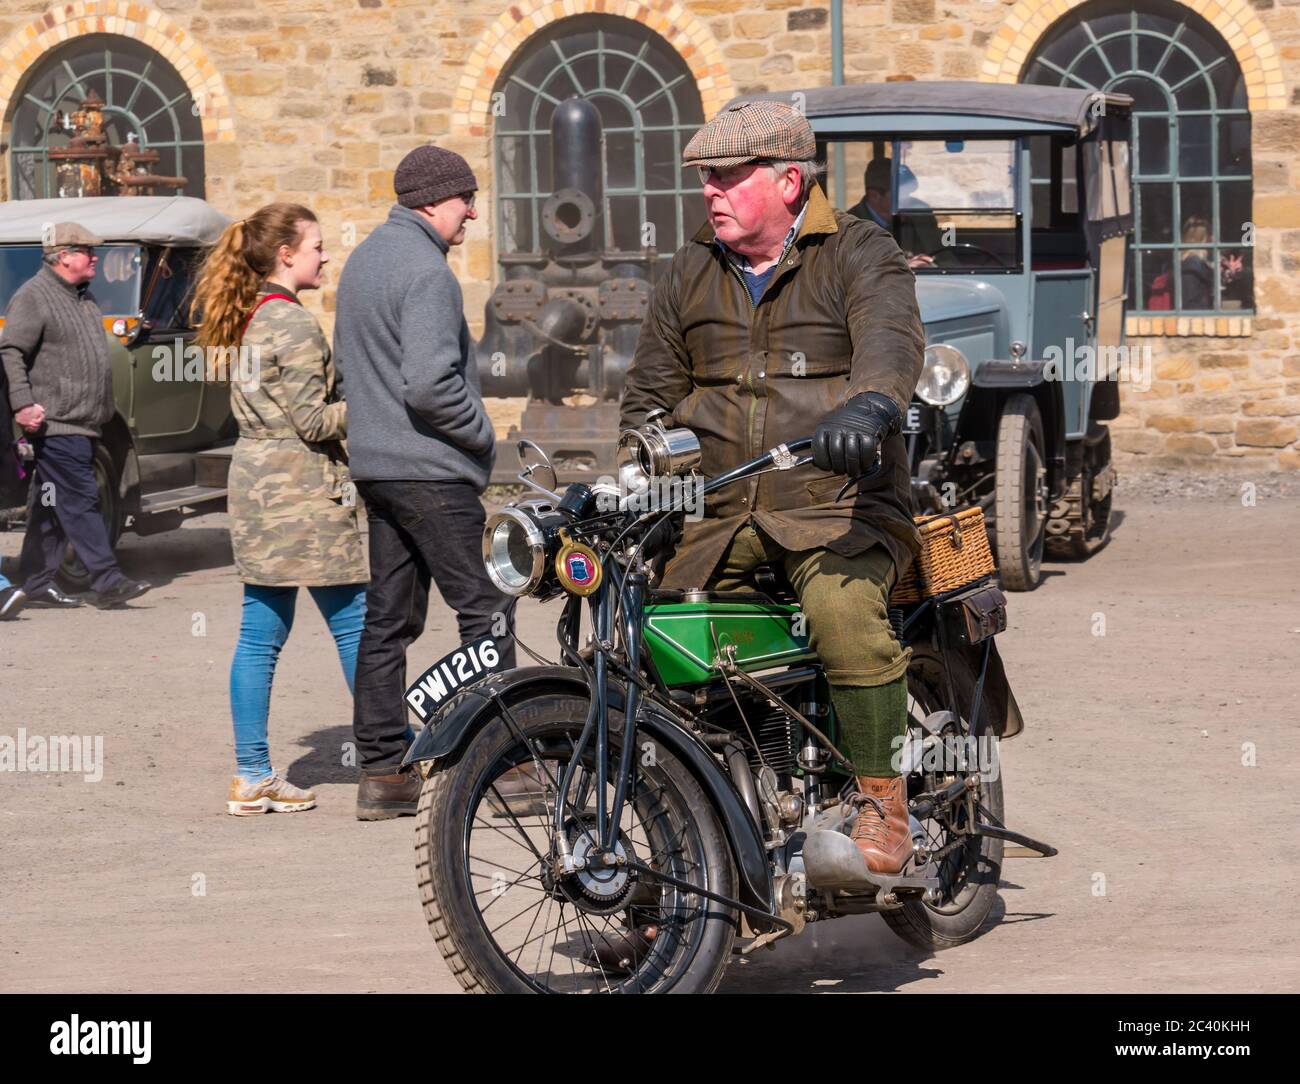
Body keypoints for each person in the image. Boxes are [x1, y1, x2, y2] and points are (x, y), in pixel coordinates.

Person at [622, 101, 925, 877]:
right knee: (647, 633)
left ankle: (881, 800)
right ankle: (684, 833)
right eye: (704, 180)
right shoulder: (690, 269)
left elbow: (891, 345)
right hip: (719, 510)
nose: (711, 192)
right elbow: (649, 396)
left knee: (840, 609)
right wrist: (639, 466)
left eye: (727, 176)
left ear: (789, 180)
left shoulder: (859, 252)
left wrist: (869, 405)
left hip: (837, 505)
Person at [334, 145, 517, 821]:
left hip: (379, 470)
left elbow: (348, 371)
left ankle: (382, 773)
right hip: (432, 473)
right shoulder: (428, 273)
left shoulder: (362, 262)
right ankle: (511, 766)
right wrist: (482, 433)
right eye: (466, 199)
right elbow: (430, 385)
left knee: (388, 623)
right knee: (488, 608)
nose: (472, 212)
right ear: (434, 202)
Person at [191, 203, 368, 816]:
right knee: (356, 624)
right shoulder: (291, 323)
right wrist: (374, 400)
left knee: (260, 630)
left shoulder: (249, 316)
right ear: (286, 254)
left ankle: (253, 774)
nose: (326, 254)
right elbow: (315, 420)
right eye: (317, 245)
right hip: (301, 493)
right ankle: (393, 757)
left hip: (259, 485)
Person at [0, 222, 151, 609]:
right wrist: (22, 403)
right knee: (82, 498)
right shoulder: (33, 297)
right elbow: (11, 352)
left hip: (85, 422)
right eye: (87, 251)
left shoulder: (83, 298)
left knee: (50, 504)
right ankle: (107, 579)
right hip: (55, 422)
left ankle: (36, 582)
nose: (95, 257)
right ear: (63, 256)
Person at [846, 158, 940, 269]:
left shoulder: (920, 213)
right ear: (874, 196)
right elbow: (850, 273)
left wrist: (933, 266)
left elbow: (943, 256)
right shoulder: (850, 228)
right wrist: (901, 267)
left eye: (908, 194)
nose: (909, 201)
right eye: (901, 196)